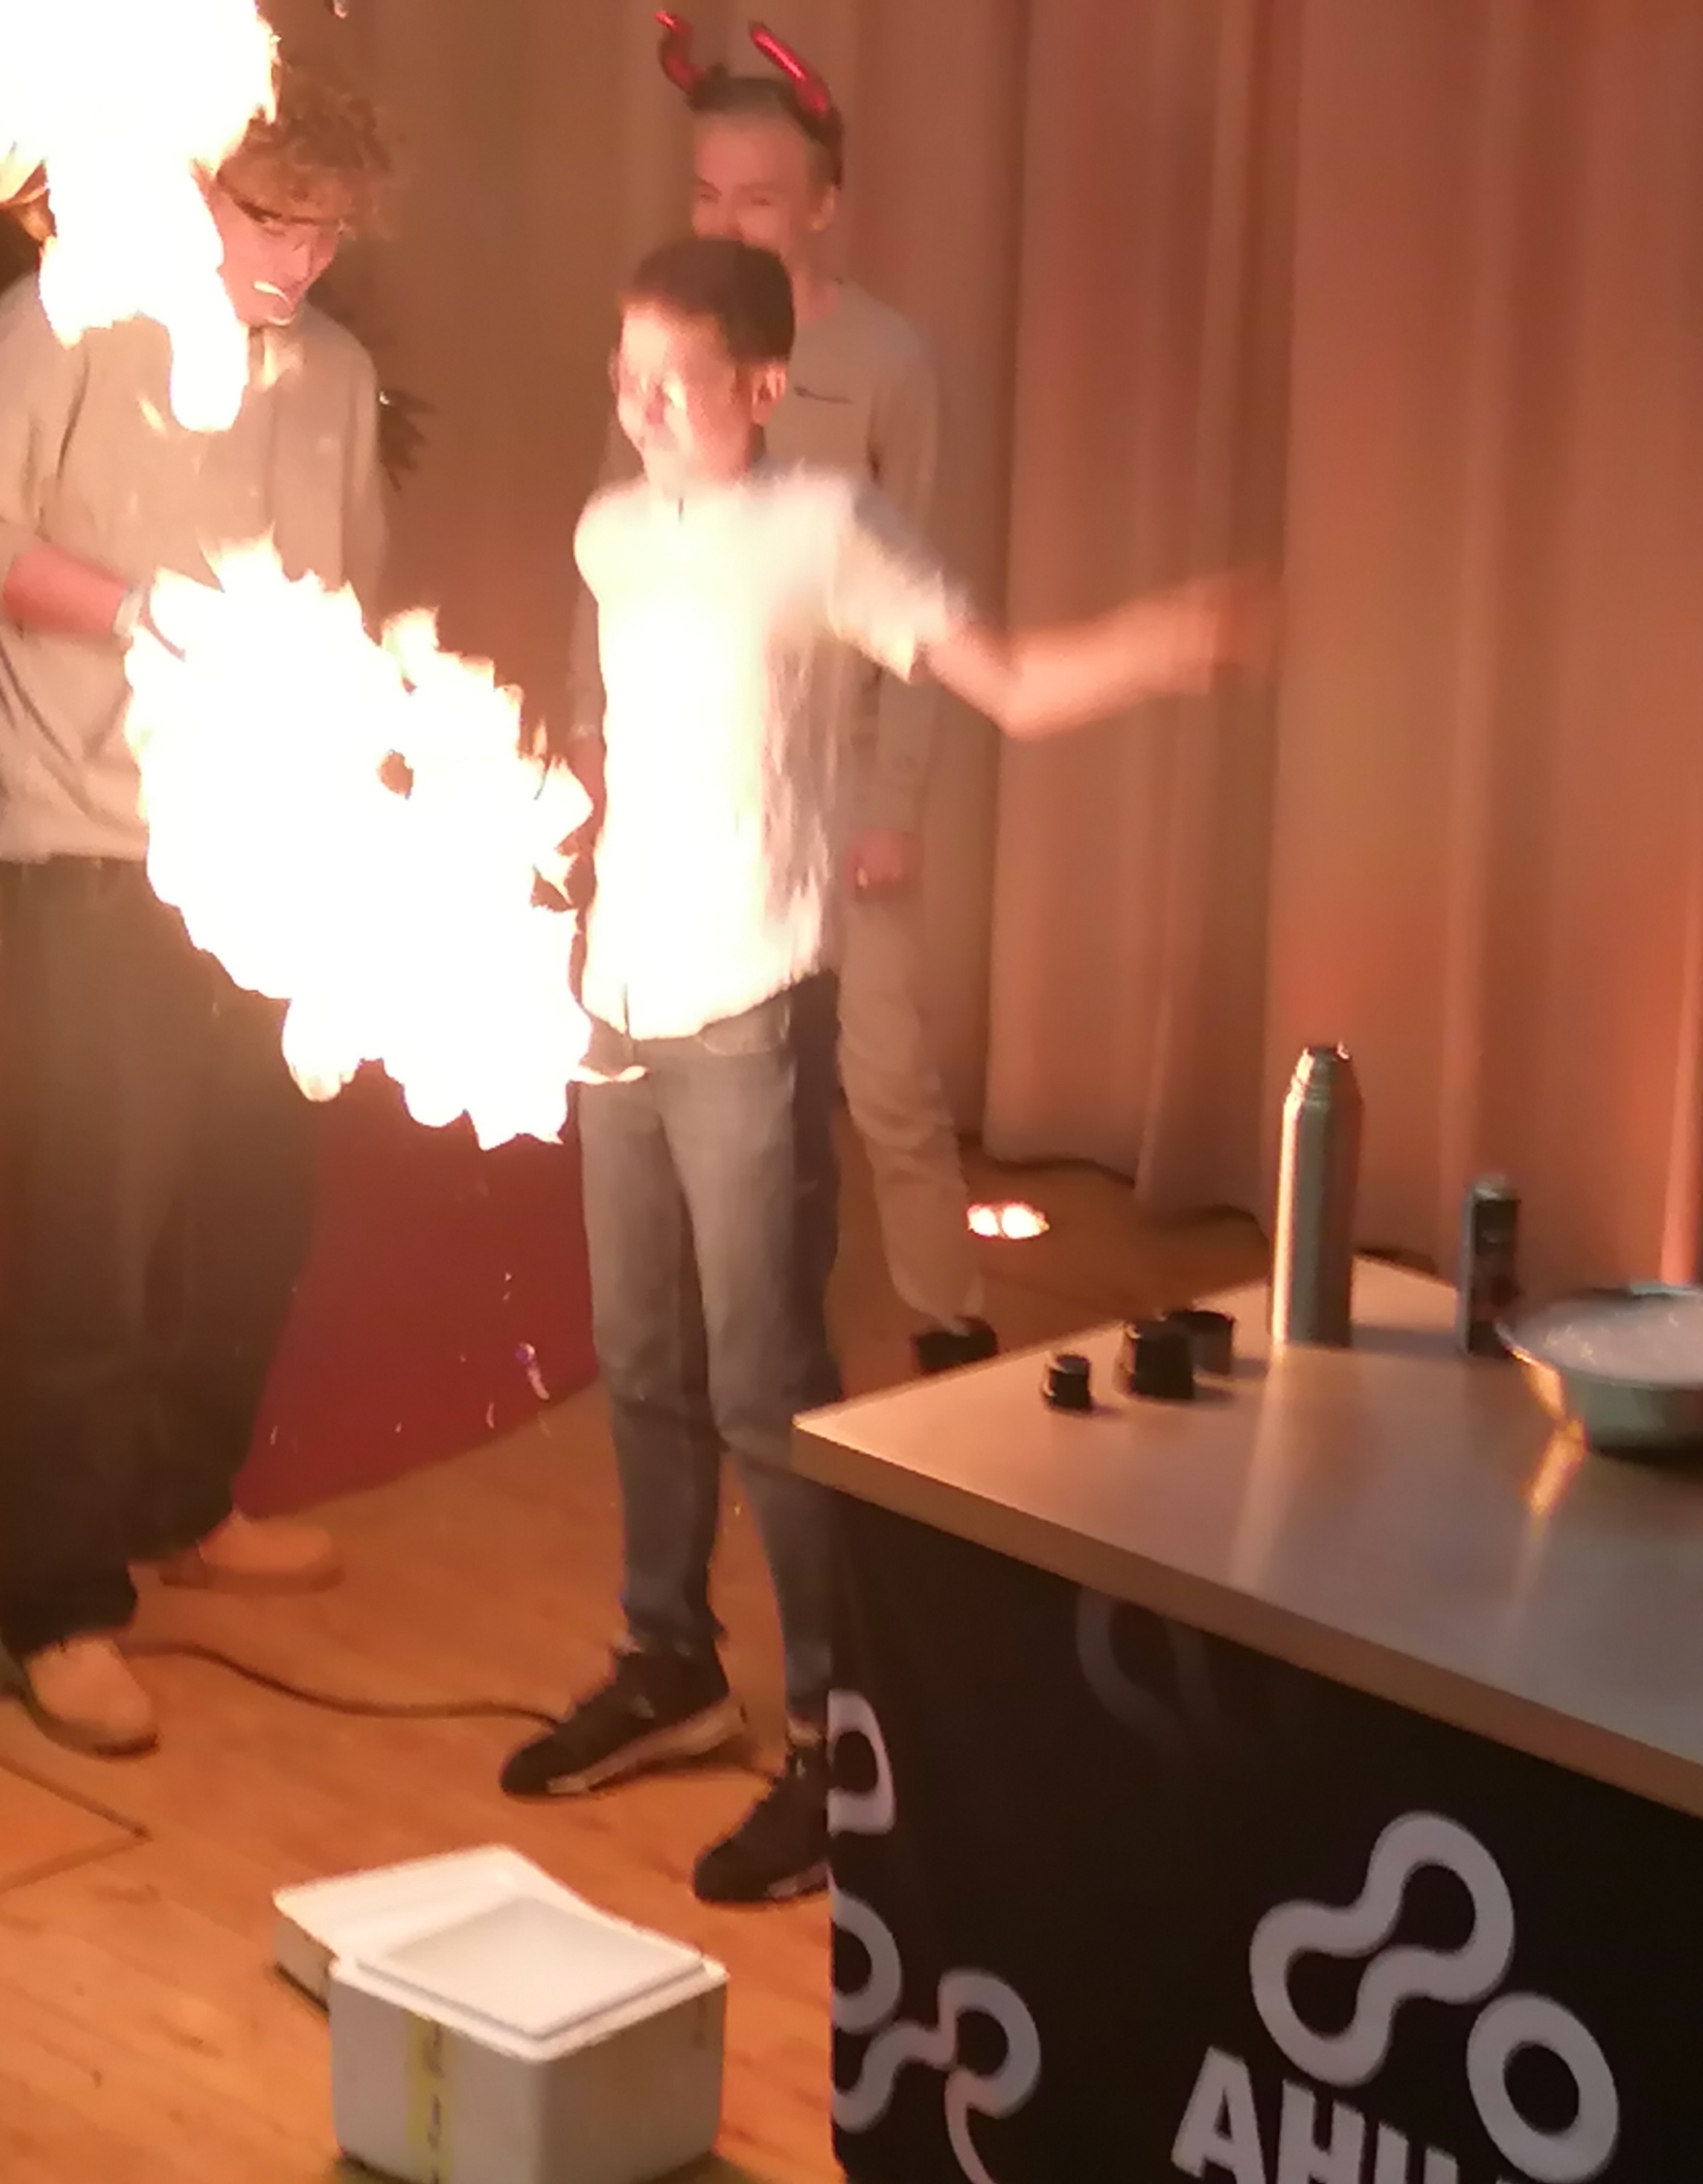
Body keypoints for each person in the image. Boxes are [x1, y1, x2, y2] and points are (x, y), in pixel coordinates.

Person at [507, 236, 1259, 1903]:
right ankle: (670, 1660)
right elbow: (606, 732)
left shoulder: (827, 524)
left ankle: (835, 1740)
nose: (640, 404)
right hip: (617, 1000)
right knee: (640, 1354)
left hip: (751, 1004)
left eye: (676, 378)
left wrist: (1158, 643)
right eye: (624, 371)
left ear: (764, 385)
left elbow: (1010, 680)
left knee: (765, 1380)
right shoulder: (611, 531)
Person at [0, 60, 396, 1758]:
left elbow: (349, 596)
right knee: (94, 1227)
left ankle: (186, 1498)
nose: (302, 260)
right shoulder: (65, 322)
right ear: (198, 186)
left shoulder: (336, 377)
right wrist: (143, 615)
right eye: (275, 220)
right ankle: (59, 1600)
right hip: (95, 842)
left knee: (255, 1199)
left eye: (330, 233)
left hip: (277, 852)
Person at [610, 19, 1001, 1379]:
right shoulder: (669, 355)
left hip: (840, 779)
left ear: (822, 206)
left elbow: (929, 599)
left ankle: (952, 1325)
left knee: (882, 1072)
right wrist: (598, 735)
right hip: (712, 798)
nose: (730, 223)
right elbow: (627, 549)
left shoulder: (888, 362)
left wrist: (893, 801)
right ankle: (772, 1348)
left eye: (761, 200)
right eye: (708, 196)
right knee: (740, 1096)